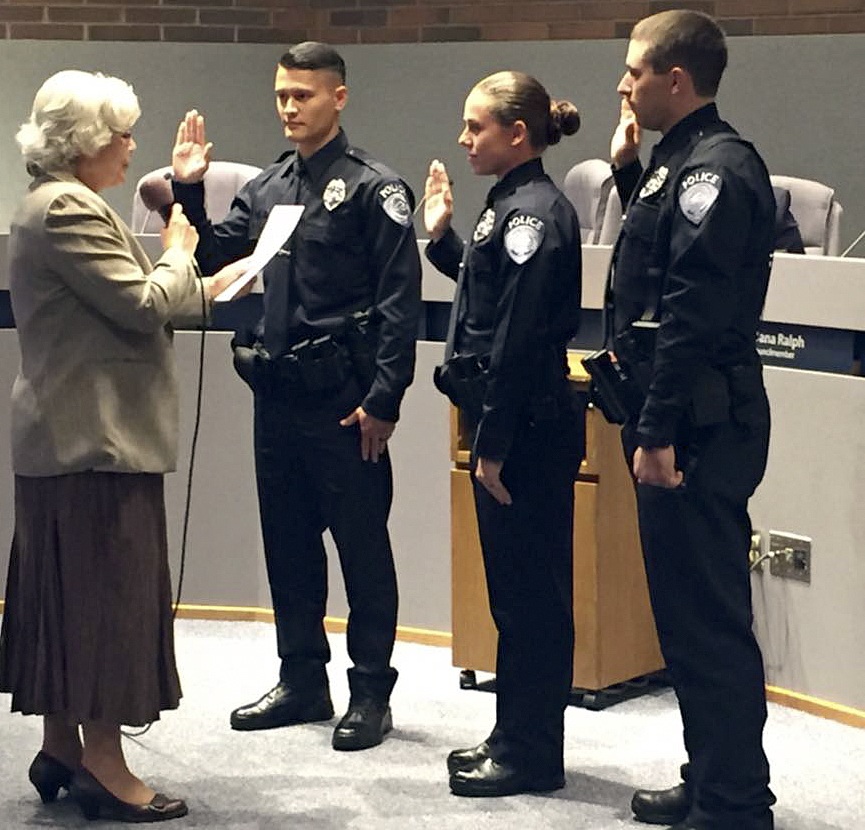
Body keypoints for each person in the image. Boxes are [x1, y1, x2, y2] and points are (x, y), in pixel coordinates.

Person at [0, 70, 248, 823]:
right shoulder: (70, 207)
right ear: (82, 144)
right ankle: (104, 764)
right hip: (97, 442)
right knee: (107, 599)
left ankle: (62, 747)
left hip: (69, 438)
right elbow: (142, 306)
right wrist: (179, 247)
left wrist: (208, 285)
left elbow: (117, 303)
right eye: (120, 136)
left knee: (66, 596)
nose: (131, 148)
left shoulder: (54, 205)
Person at [169, 42, 422, 751]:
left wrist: (385, 399)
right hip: (277, 392)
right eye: (281, 95)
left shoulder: (375, 187)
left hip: (345, 399)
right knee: (288, 544)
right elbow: (217, 257)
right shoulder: (269, 185)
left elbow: (400, 303)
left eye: (303, 95)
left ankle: (370, 690)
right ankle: (302, 678)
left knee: (361, 549)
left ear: (338, 98)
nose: (288, 107)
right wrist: (189, 189)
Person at [604, 10, 776, 830]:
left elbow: (689, 312)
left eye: (634, 71)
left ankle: (737, 801)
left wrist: (656, 429)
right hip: (681, 416)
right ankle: (709, 774)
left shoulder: (715, 167)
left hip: (700, 425)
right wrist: (630, 174)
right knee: (682, 616)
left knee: (707, 622)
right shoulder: (675, 164)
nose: (622, 84)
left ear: (676, 79)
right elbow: (659, 259)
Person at [424, 71, 584, 797]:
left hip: (524, 431)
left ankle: (532, 754)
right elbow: (489, 296)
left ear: (515, 134)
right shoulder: (511, 207)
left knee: (531, 600)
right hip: (512, 422)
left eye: (474, 127)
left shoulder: (533, 215)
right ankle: (512, 732)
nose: (463, 140)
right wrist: (440, 242)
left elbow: (517, 338)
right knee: (511, 597)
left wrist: (490, 443)